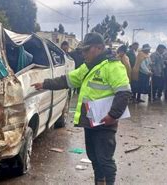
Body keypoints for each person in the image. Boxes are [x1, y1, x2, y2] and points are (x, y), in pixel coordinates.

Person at [31, 33, 131, 185]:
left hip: (105, 123)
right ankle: (100, 182)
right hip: (90, 121)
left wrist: (112, 115)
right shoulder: (88, 66)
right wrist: (45, 84)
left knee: (105, 159)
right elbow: (69, 80)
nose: (83, 54)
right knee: (94, 157)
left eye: (86, 50)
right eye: (82, 51)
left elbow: (123, 93)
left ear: (99, 48)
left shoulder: (113, 66)